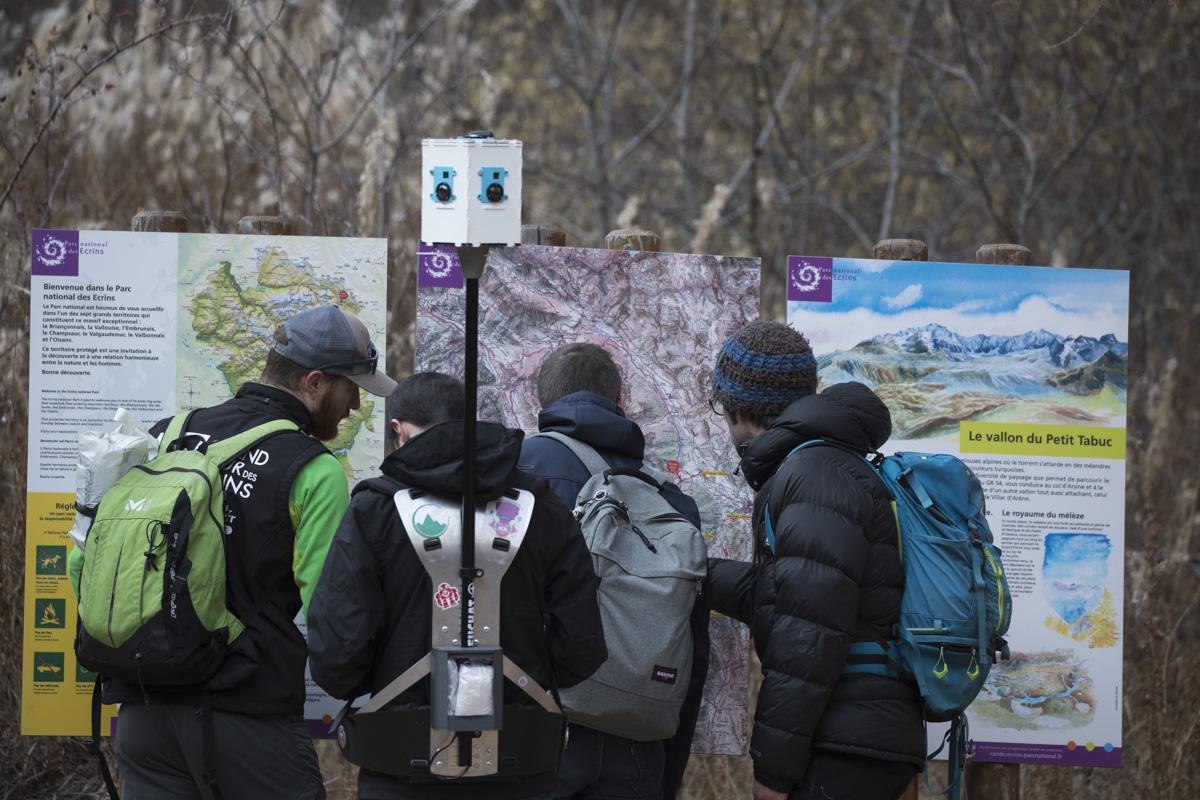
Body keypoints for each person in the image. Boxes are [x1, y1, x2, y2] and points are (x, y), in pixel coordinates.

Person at [82, 304, 396, 799]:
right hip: (247, 720)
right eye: (350, 387)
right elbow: (331, 610)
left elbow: (89, 560)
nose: (355, 404)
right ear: (314, 382)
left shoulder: (168, 434)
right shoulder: (313, 470)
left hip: (143, 714)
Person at [307, 371, 608, 800]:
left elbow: (337, 657)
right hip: (521, 763)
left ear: (398, 429)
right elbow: (582, 647)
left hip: (400, 766)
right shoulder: (542, 508)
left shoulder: (374, 510)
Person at [706, 321, 925, 800]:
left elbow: (808, 637)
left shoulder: (813, 476)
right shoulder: (823, 466)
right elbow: (796, 596)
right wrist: (696, 576)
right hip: (857, 732)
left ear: (741, 407)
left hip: (845, 741)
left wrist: (772, 774)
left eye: (722, 408)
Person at [517, 342, 710, 800]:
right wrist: (665, 770)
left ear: (542, 403)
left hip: (534, 735)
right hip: (636, 745)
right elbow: (691, 653)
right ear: (619, 403)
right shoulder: (670, 503)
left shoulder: (512, 475)